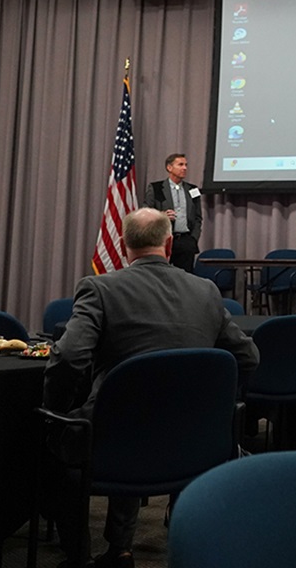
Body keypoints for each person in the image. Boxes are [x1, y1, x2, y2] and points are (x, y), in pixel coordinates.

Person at [43, 208, 259, 568]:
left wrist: (58, 411)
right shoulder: (206, 291)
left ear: (123, 245)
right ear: (169, 244)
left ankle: (86, 556)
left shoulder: (100, 288)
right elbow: (248, 357)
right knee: (135, 416)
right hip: (194, 442)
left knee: (60, 440)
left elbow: (68, 357)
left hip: (115, 441)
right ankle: (139, 544)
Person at [143, 153, 202, 271]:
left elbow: (198, 217)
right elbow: (145, 213)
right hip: (163, 240)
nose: (184, 168)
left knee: (185, 277)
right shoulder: (156, 188)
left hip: (186, 241)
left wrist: (193, 239)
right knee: (161, 274)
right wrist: (161, 216)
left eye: (186, 165)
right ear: (169, 168)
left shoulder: (193, 189)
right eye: (180, 164)